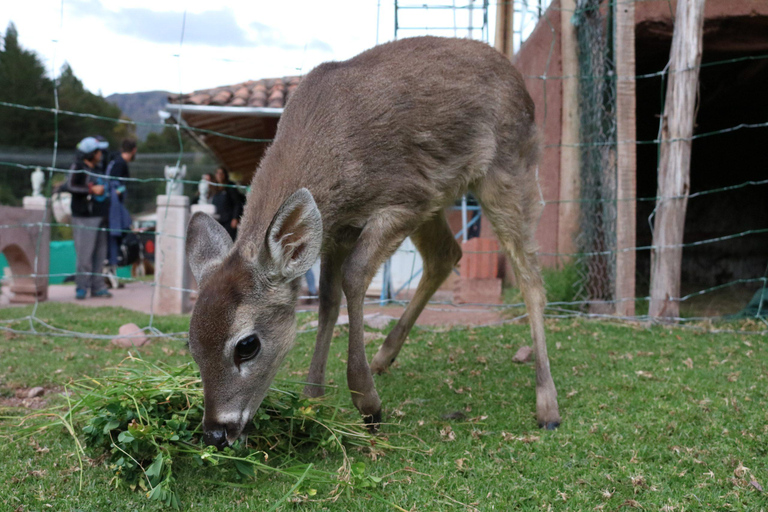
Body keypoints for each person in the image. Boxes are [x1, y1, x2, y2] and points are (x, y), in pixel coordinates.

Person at [68, 137, 112, 299]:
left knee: (100, 255)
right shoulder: (78, 167)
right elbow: (70, 186)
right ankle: (81, 288)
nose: (101, 154)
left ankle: (98, 287)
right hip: (84, 217)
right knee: (84, 255)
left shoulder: (99, 168)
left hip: (100, 216)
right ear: (90, 153)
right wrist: (91, 190)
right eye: (98, 151)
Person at [104, 139, 137, 271]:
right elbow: (115, 185)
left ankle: (112, 268)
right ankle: (111, 265)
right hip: (114, 207)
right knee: (118, 233)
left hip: (114, 205)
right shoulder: (120, 163)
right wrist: (120, 191)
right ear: (134, 150)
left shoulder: (115, 161)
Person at [211, 166, 243, 240]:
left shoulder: (230, 187)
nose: (219, 175)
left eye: (221, 173)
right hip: (218, 220)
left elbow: (237, 203)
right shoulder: (214, 188)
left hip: (229, 221)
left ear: (225, 175)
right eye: (218, 173)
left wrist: (235, 218)